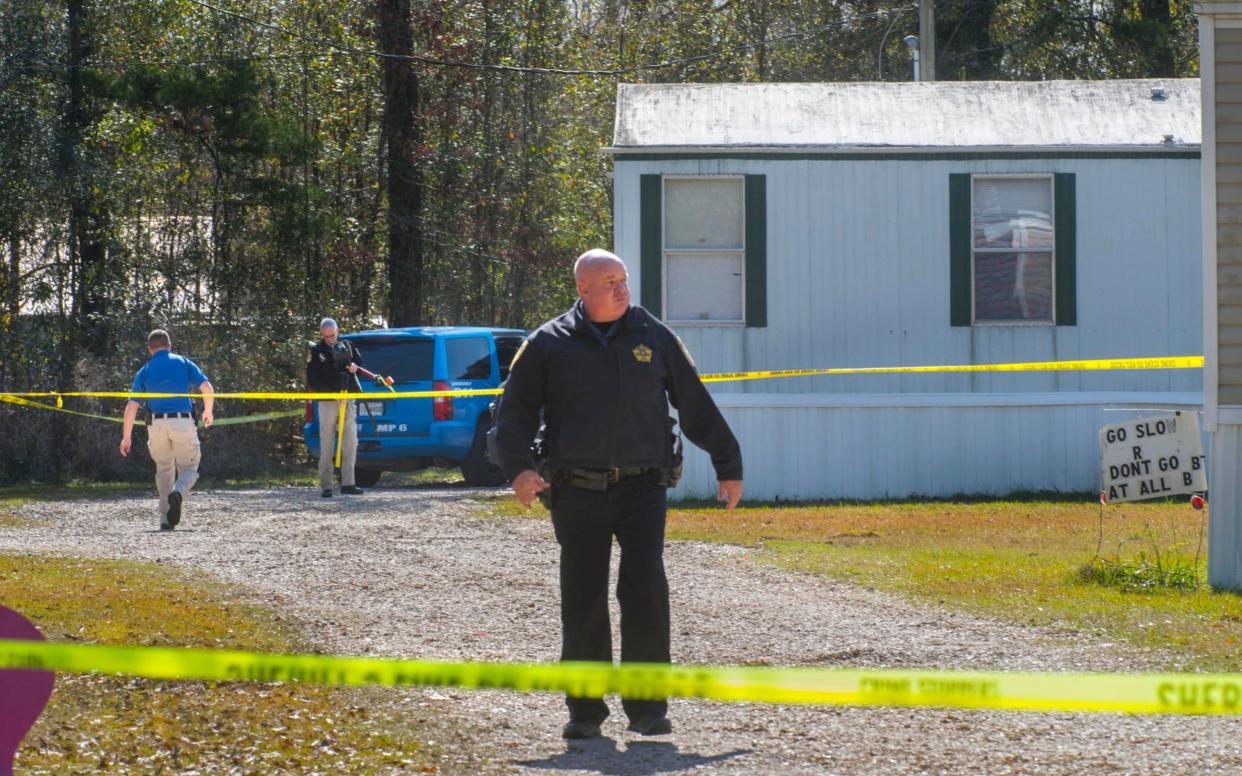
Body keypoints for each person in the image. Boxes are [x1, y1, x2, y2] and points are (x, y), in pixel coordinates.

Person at [492, 248, 743, 740]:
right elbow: (513, 413)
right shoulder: (548, 343)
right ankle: (585, 711)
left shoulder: (653, 335)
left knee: (645, 588)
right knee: (583, 595)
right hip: (576, 489)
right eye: (609, 281)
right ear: (583, 290)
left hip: (642, 486)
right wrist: (519, 469)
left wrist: (727, 462)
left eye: (623, 279)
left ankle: (648, 707)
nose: (621, 288)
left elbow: (694, 403)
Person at [119, 329, 214, 531]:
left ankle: (165, 520)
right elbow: (206, 387)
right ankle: (178, 493)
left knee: (164, 469)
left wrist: (126, 437)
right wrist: (208, 411)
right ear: (170, 345)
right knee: (189, 468)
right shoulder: (183, 362)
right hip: (182, 423)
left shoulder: (144, 370)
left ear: (150, 349)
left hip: (156, 426)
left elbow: (131, 407)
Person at [306, 317, 365, 498]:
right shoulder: (316, 352)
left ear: (337, 331)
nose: (330, 339)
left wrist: (355, 366)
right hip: (328, 402)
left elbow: (359, 363)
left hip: (347, 399)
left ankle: (348, 483)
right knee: (326, 443)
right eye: (326, 336)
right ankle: (327, 486)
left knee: (350, 442)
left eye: (332, 335)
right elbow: (313, 379)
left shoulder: (348, 345)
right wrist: (333, 395)